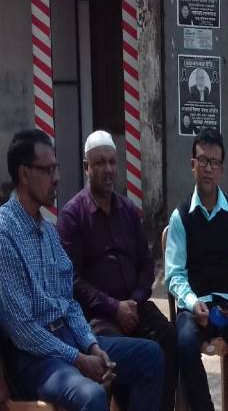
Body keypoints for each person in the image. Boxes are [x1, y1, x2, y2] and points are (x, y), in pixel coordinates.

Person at [0, 129, 163, 411]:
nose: (57, 178)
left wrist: (92, 347)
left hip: (70, 340)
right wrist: (78, 359)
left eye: (56, 168)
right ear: (24, 174)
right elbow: (23, 329)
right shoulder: (5, 234)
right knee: (92, 395)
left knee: (150, 356)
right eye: (48, 170)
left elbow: (69, 303)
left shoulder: (48, 232)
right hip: (35, 358)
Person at [57, 130, 177, 411]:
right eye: (100, 163)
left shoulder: (128, 211)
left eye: (112, 162)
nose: (108, 169)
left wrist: (133, 301)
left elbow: (147, 264)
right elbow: (72, 281)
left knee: (171, 338)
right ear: (86, 167)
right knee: (131, 359)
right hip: (98, 317)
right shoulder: (72, 217)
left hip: (135, 307)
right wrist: (114, 307)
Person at [165, 128, 228, 411]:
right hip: (194, 309)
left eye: (215, 163)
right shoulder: (181, 217)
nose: (209, 169)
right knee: (183, 344)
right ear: (193, 164)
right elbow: (175, 274)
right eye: (203, 161)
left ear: (221, 169)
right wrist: (192, 303)